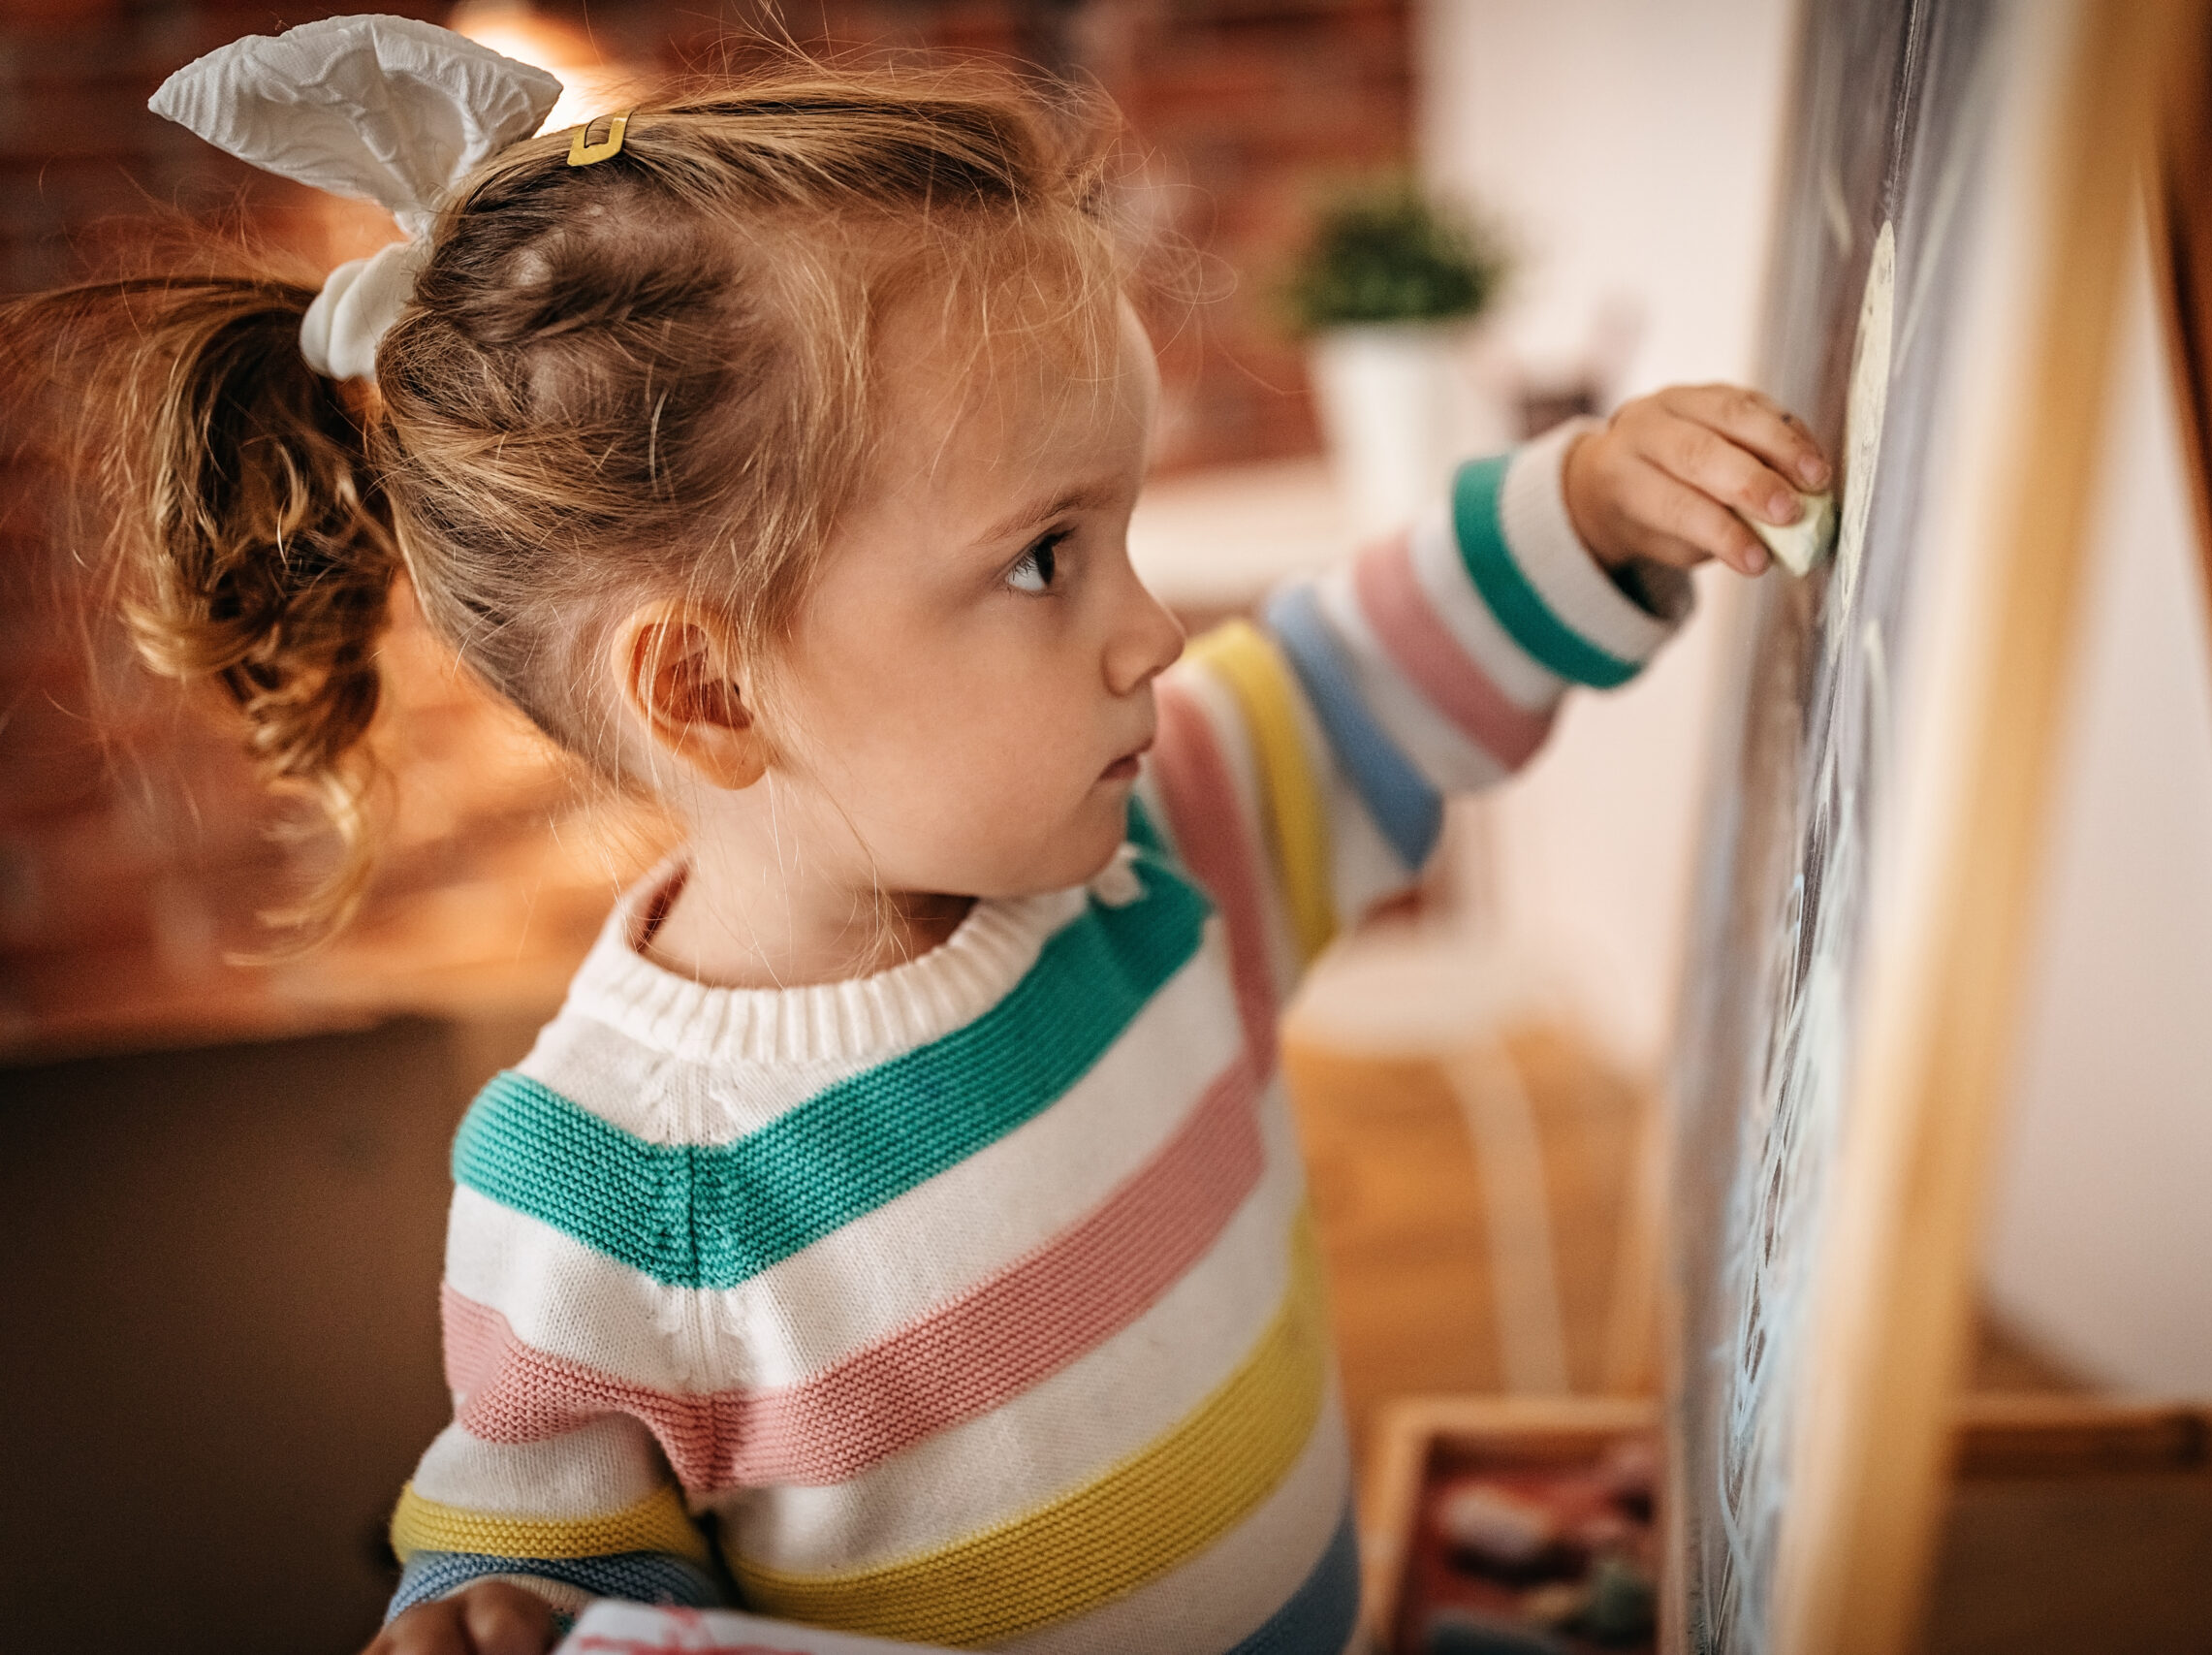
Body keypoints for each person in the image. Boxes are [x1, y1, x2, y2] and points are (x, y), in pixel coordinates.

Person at [7, 16, 1829, 1654]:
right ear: (710, 692)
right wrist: (501, 1614)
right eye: (1046, 555)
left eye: (1122, 531)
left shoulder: (1165, 844)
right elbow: (549, 1557)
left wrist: (1590, 508)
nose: (1153, 628)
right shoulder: (605, 1192)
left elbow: (1355, 680)